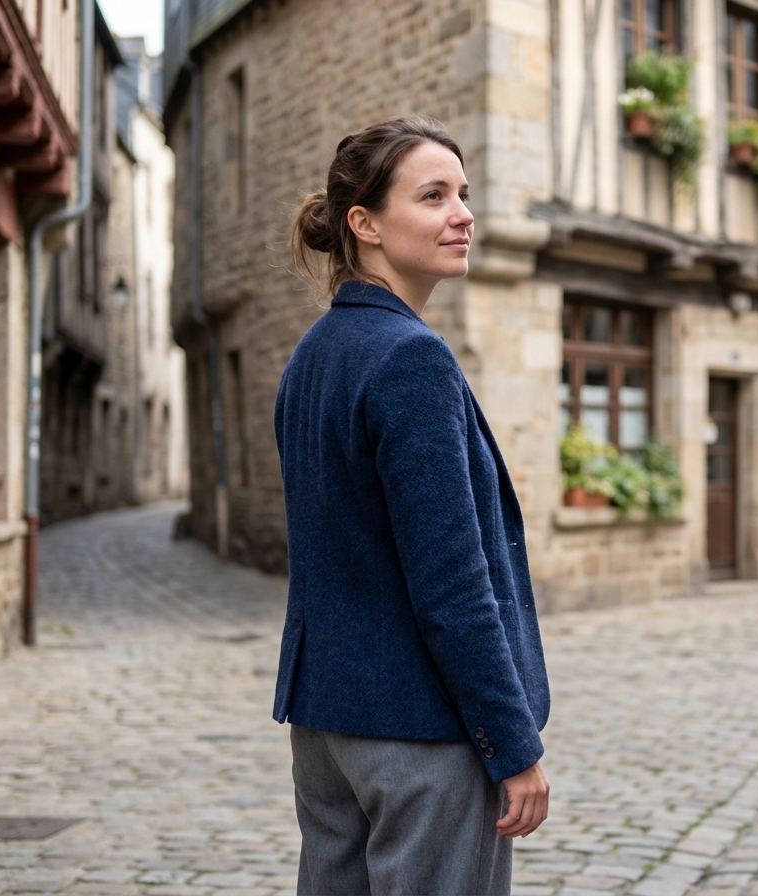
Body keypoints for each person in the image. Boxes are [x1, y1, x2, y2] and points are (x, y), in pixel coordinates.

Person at [275, 117, 550, 895]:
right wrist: (511, 743)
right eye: (433, 196)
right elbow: (452, 583)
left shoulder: (313, 355)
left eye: (463, 193)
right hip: (422, 731)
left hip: (329, 724)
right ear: (364, 224)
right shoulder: (411, 358)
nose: (463, 213)